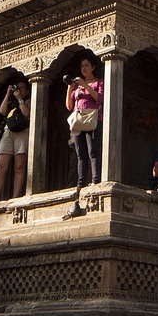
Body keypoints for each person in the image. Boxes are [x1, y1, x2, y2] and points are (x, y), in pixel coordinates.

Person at [62, 56, 104, 219]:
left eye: (87, 65)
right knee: (81, 154)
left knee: (93, 150)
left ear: (93, 67)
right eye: (82, 66)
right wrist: (70, 88)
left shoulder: (98, 82)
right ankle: (80, 182)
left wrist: (85, 85)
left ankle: (95, 179)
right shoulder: (76, 87)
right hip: (78, 120)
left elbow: (99, 98)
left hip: (93, 119)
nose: (84, 68)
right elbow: (69, 106)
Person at [0, 77, 31, 202]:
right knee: (0, 166)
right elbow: (2, 111)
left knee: (19, 166)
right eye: (16, 88)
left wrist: (20, 98)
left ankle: (15, 197)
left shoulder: (28, 101)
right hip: (8, 132)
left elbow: (26, 113)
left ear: (27, 91)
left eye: (21, 88)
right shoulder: (11, 103)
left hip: (22, 132)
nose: (18, 90)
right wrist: (8, 94)